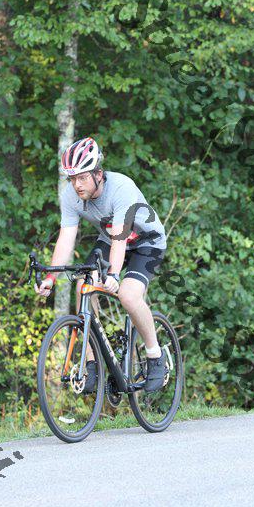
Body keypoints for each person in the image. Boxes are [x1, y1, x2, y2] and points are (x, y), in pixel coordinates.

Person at [34, 137, 167, 394]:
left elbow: (120, 238)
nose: (77, 185)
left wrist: (114, 275)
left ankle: (155, 355)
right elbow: (66, 238)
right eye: (72, 179)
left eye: (82, 177)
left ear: (98, 174)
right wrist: (50, 278)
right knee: (83, 287)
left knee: (128, 295)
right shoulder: (70, 195)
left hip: (146, 242)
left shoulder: (121, 188)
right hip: (110, 239)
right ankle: (92, 364)